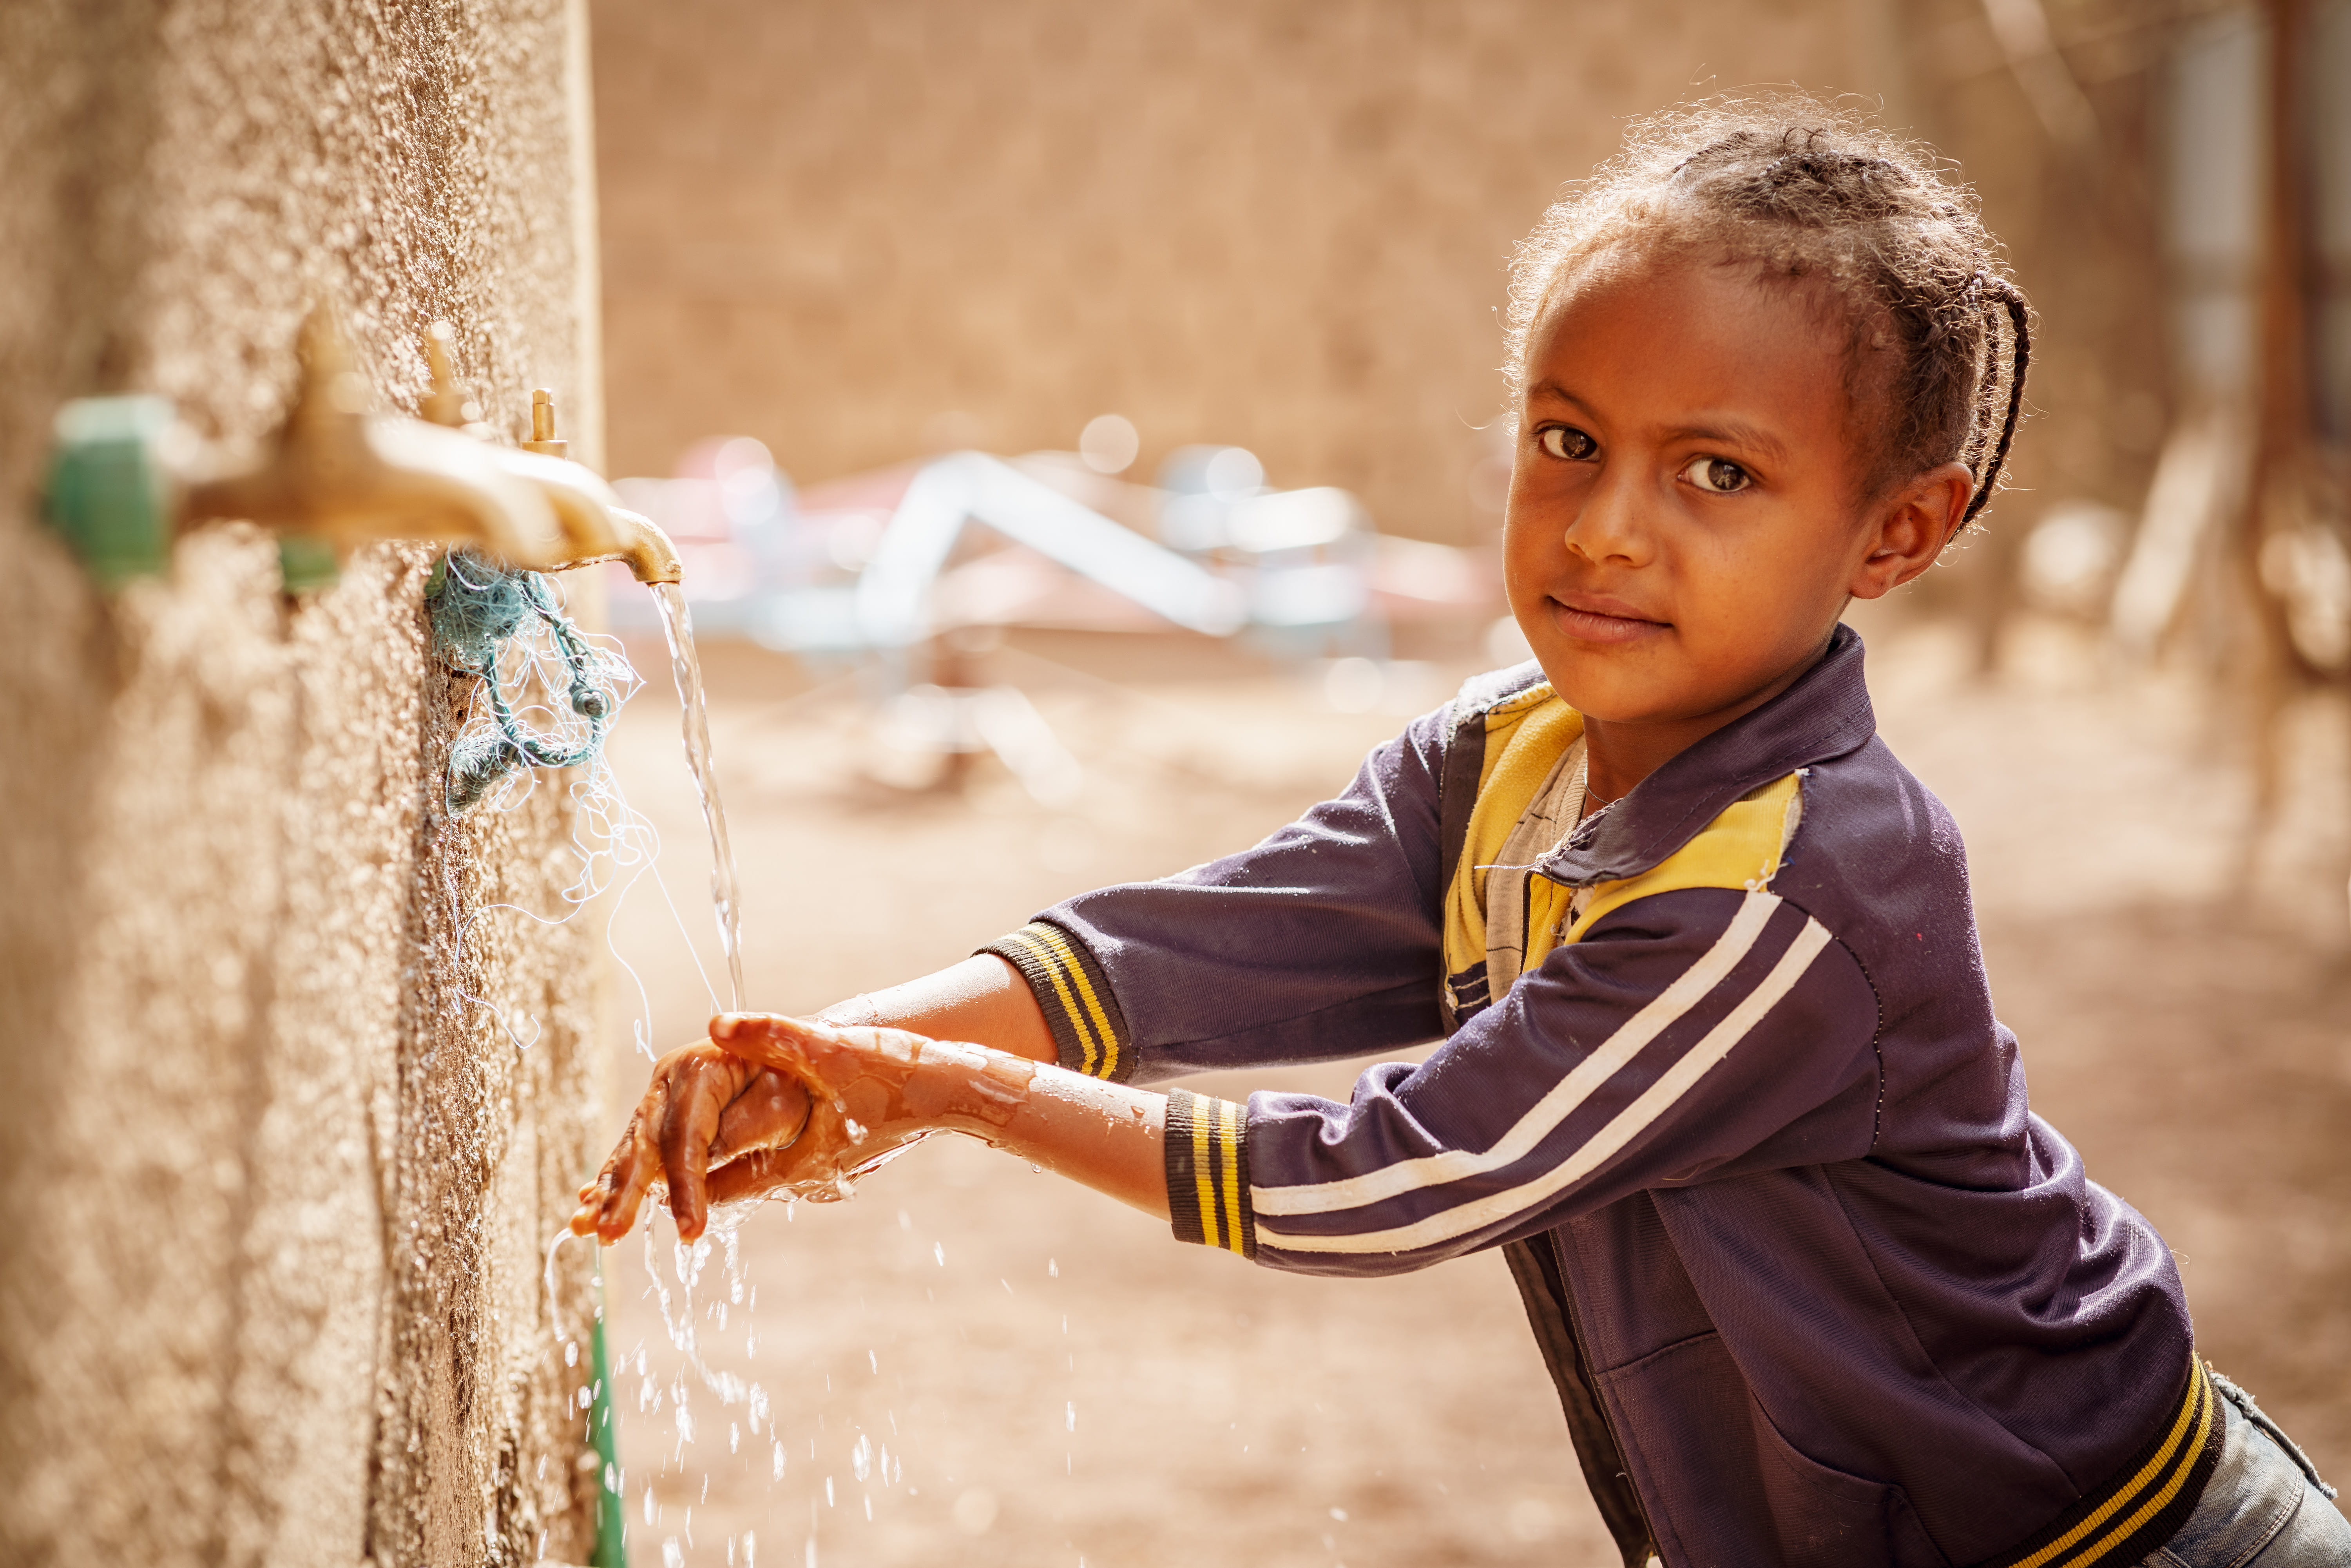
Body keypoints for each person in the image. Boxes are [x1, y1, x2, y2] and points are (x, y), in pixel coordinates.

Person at [572, 100, 2349, 1567]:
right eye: (1568, 442)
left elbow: (1376, 1175)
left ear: (1898, 531)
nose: (1609, 531)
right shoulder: (1511, 755)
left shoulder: (1789, 894)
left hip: (2106, 1540)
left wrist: (947, 1094)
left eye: (1717, 472)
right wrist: (840, 1052)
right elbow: (1173, 952)